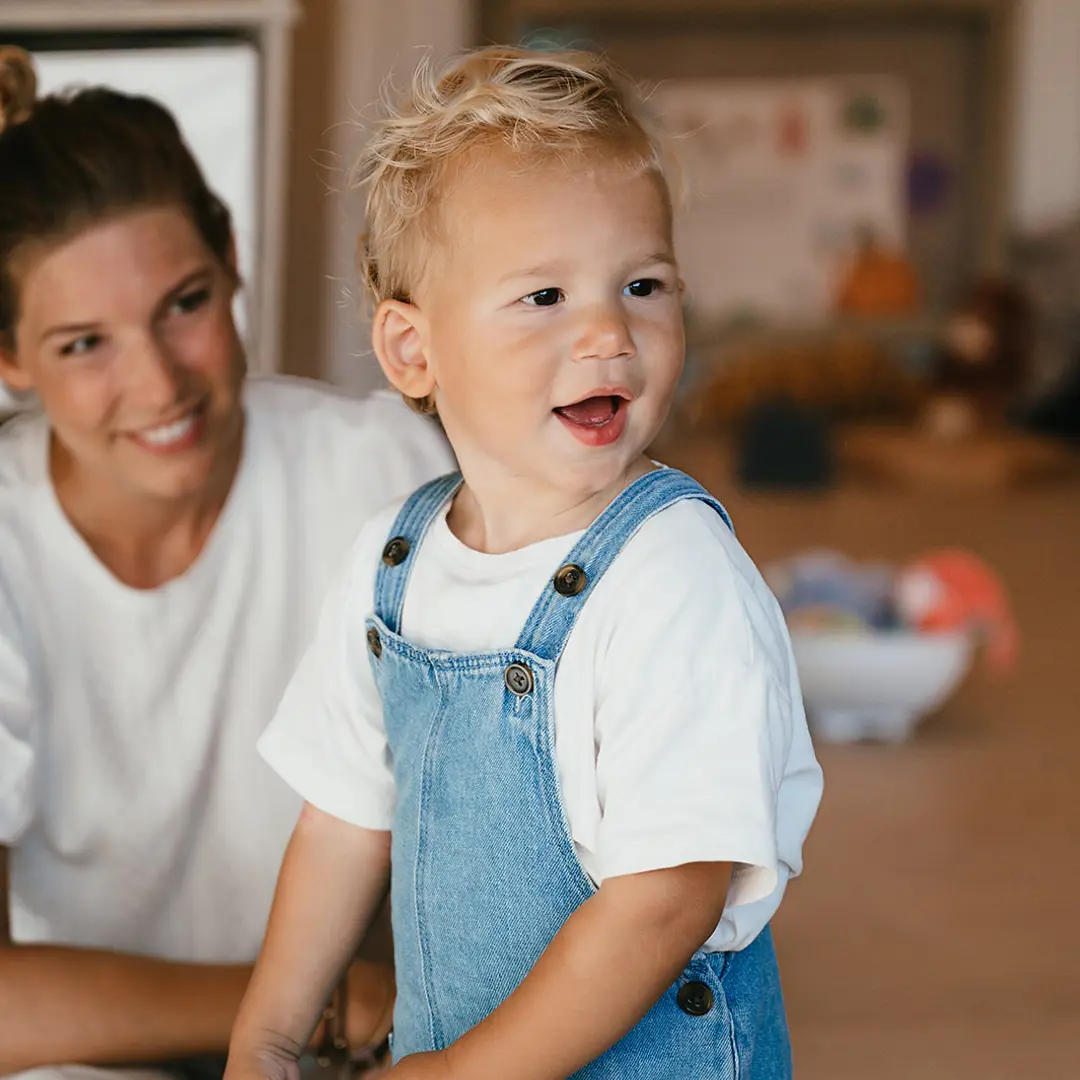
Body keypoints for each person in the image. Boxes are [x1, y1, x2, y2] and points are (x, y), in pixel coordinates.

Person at [227, 47, 824, 1079]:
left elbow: (668, 898)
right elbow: (342, 827)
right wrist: (267, 1039)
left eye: (642, 284)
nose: (607, 330)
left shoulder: (676, 575)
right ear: (414, 352)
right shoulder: (392, 564)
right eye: (544, 295)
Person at [0, 46, 455, 1080]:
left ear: (232, 259)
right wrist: (302, 1008)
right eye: (84, 345)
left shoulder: (379, 473)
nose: (157, 382)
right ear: (11, 359)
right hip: (94, 1057)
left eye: (184, 304)